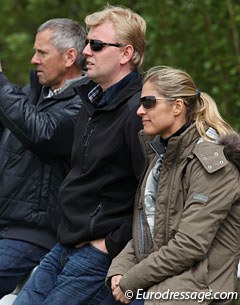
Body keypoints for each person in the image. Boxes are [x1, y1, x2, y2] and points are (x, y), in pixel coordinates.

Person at [13, 4, 146, 305]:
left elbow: (155, 191)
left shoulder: (138, 110)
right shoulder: (89, 99)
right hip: (65, 243)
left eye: (96, 45)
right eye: (87, 42)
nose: (86, 51)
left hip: (98, 252)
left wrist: (110, 243)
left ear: (126, 54)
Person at [104, 65, 240, 305]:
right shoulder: (161, 157)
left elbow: (189, 246)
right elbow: (147, 230)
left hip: (194, 294)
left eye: (148, 102)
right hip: (159, 285)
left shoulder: (211, 164)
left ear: (177, 106)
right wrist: (119, 269)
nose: (139, 111)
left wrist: (129, 281)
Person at [0, 18, 87, 298]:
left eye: (42, 52)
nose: (33, 59)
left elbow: (43, 133)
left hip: (34, 233)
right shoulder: (33, 95)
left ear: (70, 57)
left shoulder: (84, 105)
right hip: (8, 225)